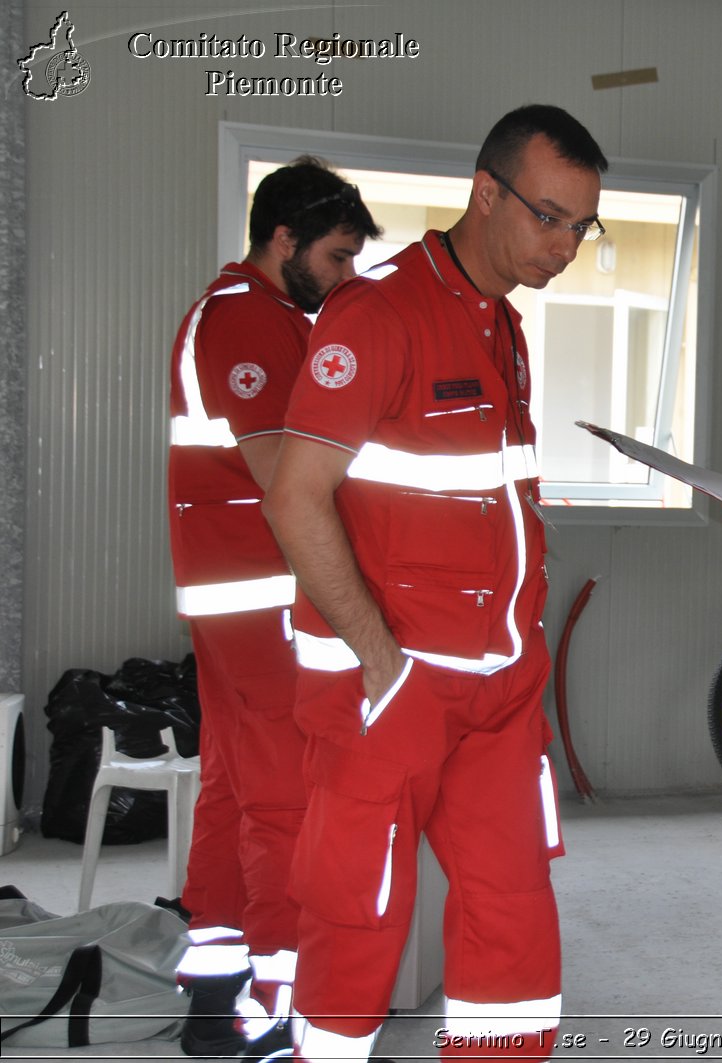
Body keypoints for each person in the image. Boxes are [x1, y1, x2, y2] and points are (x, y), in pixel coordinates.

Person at [261, 104, 606, 1062]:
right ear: (486, 193)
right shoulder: (377, 314)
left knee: (514, 925)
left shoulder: (502, 328)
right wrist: (382, 664)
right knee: (356, 920)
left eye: (583, 225)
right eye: (549, 217)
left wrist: (521, 660)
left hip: (498, 693)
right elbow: (296, 500)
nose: (566, 246)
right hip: (390, 690)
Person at [165, 156, 378, 1059]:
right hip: (262, 600)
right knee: (283, 803)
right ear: (281, 240)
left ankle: (214, 994)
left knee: (230, 791)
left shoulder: (252, 313)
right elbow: (282, 479)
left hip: (232, 598)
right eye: (334, 258)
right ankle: (278, 1006)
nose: (345, 280)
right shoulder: (248, 320)